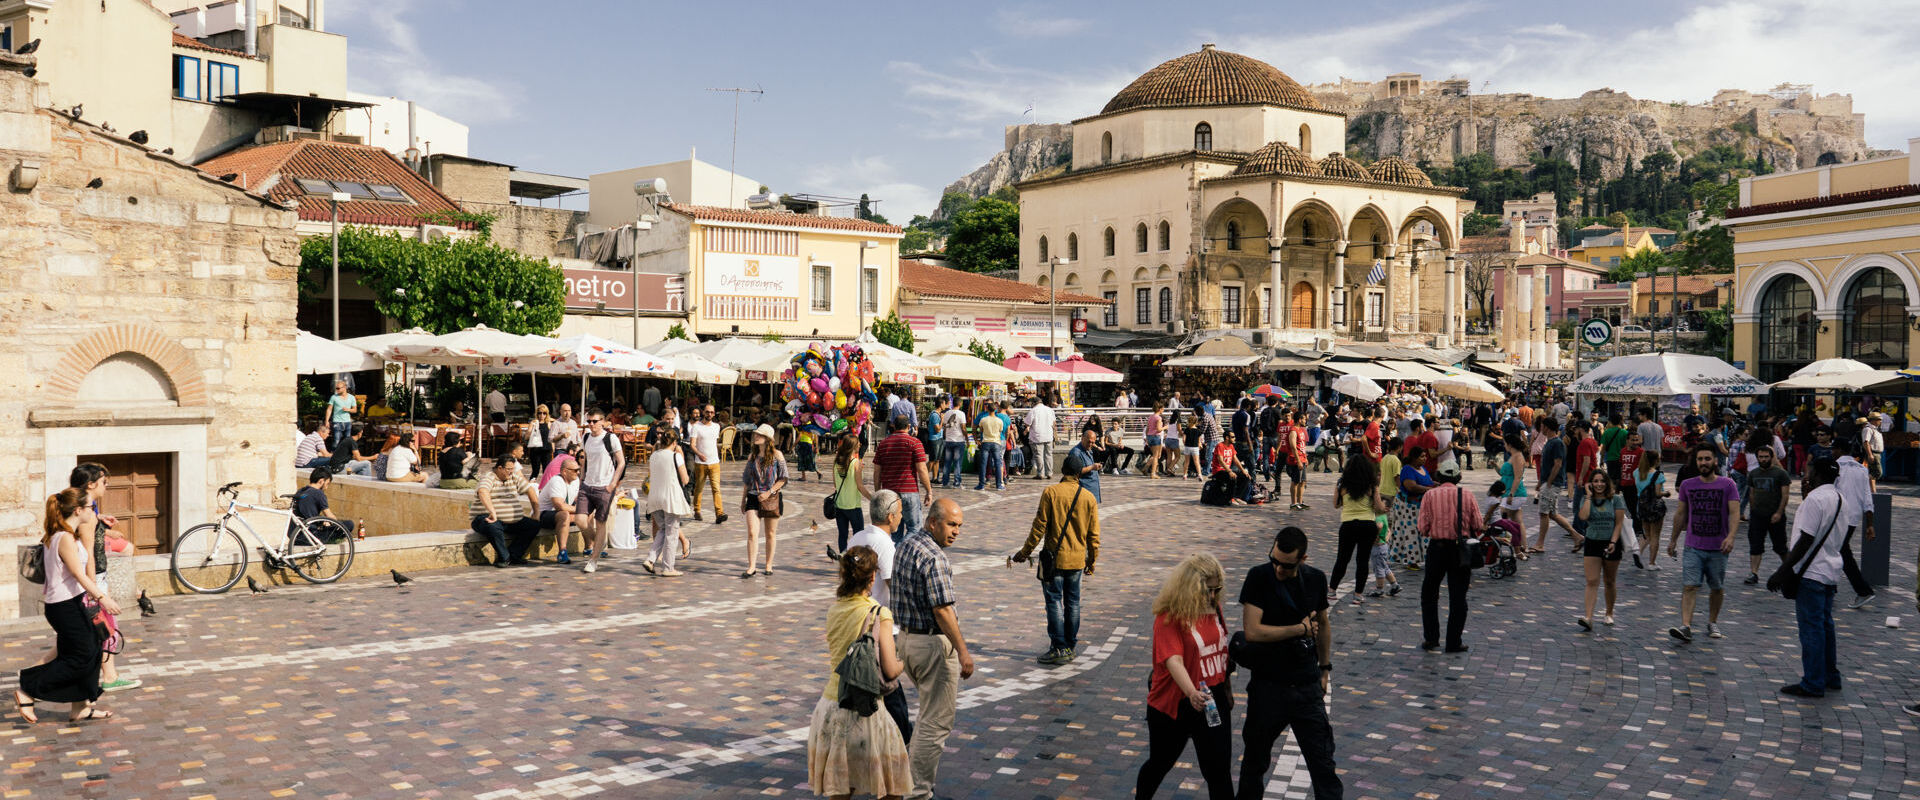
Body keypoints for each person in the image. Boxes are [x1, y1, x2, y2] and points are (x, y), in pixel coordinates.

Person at [1236, 526, 1338, 800]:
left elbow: (1324, 624)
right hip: (1268, 687)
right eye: (1275, 561)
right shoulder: (1259, 576)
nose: (1279, 569)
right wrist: (1299, 630)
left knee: (1324, 766)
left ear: (1303, 559)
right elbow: (1253, 632)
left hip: (1306, 686)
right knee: (1254, 763)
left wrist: (1325, 669)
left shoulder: (1315, 579)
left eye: (1287, 565)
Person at [804, 544, 913, 800]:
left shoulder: (834, 610)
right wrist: (906, 658)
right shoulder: (878, 613)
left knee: (841, 790)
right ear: (873, 577)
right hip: (866, 710)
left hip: (830, 706)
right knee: (892, 787)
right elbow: (889, 669)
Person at [15, 488, 121, 725]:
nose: (92, 511)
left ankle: (81, 707)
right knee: (79, 657)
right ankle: (28, 689)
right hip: (64, 607)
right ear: (78, 510)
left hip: (72, 602)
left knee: (92, 650)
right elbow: (78, 574)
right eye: (90, 508)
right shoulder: (63, 538)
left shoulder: (64, 535)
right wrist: (103, 598)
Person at [891, 497, 973, 800]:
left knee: (927, 717)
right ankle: (916, 792)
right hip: (931, 646)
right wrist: (963, 651)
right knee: (935, 724)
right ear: (933, 522)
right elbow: (943, 610)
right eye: (951, 525)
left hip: (907, 642)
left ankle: (906, 781)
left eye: (959, 526)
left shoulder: (907, 545)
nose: (956, 532)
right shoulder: (934, 557)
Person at [1135, 553, 1234, 800]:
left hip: (1211, 699)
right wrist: (1191, 692)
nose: (1212, 596)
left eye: (1216, 589)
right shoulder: (1169, 616)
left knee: (1218, 770)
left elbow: (1220, 652)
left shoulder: (1215, 608)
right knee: (1159, 763)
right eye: (1206, 590)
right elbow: (1173, 660)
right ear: (1191, 588)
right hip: (1174, 704)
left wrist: (1226, 689)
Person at [1013, 452, 1101, 665]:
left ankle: (1059, 647)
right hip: (1077, 560)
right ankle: (1070, 645)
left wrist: (1024, 553)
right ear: (1080, 473)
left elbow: (1039, 527)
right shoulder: (1088, 498)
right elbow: (1094, 536)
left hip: (1054, 559)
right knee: (1073, 603)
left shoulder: (1051, 492)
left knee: (1054, 602)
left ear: (1064, 471)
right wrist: (1092, 562)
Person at [1780, 457, 1850, 699]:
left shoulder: (1815, 499)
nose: (1806, 473)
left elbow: (1805, 539)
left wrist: (1783, 570)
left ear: (1817, 473)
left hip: (1811, 573)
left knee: (1811, 630)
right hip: (1830, 570)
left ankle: (1812, 682)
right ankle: (1831, 676)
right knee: (1825, 627)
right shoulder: (1842, 499)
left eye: (1809, 469)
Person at [848, 491, 911, 743]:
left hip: (856, 617)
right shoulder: (885, 545)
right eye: (900, 513)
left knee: (873, 688)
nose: (902, 517)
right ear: (890, 516)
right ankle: (903, 741)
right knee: (889, 687)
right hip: (880, 624)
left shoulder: (859, 536)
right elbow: (893, 586)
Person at [1668, 446, 1740, 643]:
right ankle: (1686, 626)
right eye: (1700, 459)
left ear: (1715, 461)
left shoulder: (1728, 485)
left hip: (1718, 547)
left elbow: (1735, 512)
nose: (1703, 463)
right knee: (1690, 586)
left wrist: (1731, 536)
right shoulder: (1687, 485)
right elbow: (1681, 513)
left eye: (1707, 459)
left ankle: (1712, 621)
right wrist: (1673, 539)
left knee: (1717, 587)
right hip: (1693, 546)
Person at [1416, 462, 1482, 653]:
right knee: (1458, 597)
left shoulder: (1429, 495)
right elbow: (1477, 524)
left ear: (1439, 476)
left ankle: (1431, 639)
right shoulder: (1467, 495)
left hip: (1437, 549)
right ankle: (1454, 641)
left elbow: (1423, 528)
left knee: (1429, 595)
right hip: (1459, 551)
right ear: (1458, 477)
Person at [1328, 456, 1387, 603]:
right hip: (1367, 525)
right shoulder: (1372, 485)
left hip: (1348, 525)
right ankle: (1358, 595)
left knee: (1342, 559)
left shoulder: (1342, 484)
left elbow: (1336, 504)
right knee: (1362, 560)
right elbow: (1379, 507)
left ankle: (1332, 591)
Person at [1575, 470, 1627, 630]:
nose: (1599, 484)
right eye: (1595, 481)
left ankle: (1609, 613)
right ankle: (1589, 617)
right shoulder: (1586, 499)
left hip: (1611, 542)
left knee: (1609, 581)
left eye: (1602, 481)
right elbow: (1583, 517)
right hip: (1592, 542)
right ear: (1590, 483)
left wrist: (1613, 541)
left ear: (1607, 483)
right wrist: (1589, 496)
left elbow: (1619, 523)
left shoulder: (1616, 499)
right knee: (1591, 581)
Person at [575, 412, 625, 574]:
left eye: (594, 421)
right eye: (588, 421)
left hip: (604, 487)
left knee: (600, 522)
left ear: (602, 422)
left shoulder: (610, 439)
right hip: (587, 485)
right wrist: (581, 480)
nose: (591, 424)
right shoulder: (586, 438)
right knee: (580, 520)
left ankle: (593, 560)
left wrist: (613, 483)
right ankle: (599, 541)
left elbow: (621, 462)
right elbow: (585, 460)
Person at [739, 424, 790, 578]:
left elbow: (783, 478)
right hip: (753, 497)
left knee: (770, 533)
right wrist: (743, 500)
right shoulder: (752, 456)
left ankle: (768, 565)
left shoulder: (777, 455)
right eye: (756, 434)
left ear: (768, 438)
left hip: (771, 497)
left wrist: (769, 492)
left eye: (759, 435)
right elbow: (747, 480)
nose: (756, 436)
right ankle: (751, 566)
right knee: (752, 533)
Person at [471, 455, 540, 567]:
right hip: (485, 517)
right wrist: (492, 512)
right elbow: (483, 492)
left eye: (512, 469)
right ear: (499, 468)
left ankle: (514, 554)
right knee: (493, 527)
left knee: (533, 525)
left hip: (511, 520)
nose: (511, 472)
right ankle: (504, 557)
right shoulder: (489, 478)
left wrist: (536, 512)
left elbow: (530, 490)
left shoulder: (513, 478)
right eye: (508, 469)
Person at [873, 413, 931, 542]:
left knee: (894, 530)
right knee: (915, 529)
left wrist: (878, 492)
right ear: (909, 426)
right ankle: (899, 551)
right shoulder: (914, 443)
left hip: (889, 493)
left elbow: (877, 471)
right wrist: (929, 490)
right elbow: (922, 469)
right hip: (909, 491)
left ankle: (895, 555)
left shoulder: (883, 444)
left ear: (893, 426)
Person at [1834, 443, 1878, 609]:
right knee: (1839, 550)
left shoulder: (1836, 467)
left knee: (1841, 551)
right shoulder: (1861, 469)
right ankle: (1833, 586)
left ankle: (1862, 590)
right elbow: (1868, 499)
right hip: (1853, 516)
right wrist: (1870, 524)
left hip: (1837, 514)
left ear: (1839, 450)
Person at [642, 429, 691, 577]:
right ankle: (668, 567)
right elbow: (685, 479)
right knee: (672, 532)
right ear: (675, 443)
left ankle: (650, 559)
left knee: (663, 530)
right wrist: (680, 456)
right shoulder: (676, 456)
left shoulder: (654, 455)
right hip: (671, 497)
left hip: (655, 496)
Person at [1743, 444, 1792, 586]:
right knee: (1756, 544)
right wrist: (1753, 511)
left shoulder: (1780, 473)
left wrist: (1779, 512)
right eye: (1760, 457)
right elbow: (1751, 494)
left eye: (1766, 457)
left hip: (1776, 515)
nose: (1763, 459)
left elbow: (1785, 495)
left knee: (1780, 546)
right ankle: (1754, 573)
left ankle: (1790, 570)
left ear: (1771, 457)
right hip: (1758, 515)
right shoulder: (1753, 473)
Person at [1532, 417, 1577, 552]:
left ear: (1547, 427)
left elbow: (1557, 464)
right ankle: (1577, 536)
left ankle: (1540, 543)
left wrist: (1549, 482)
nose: (1540, 429)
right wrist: (1540, 482)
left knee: (1544, 513)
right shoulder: (1549, 442)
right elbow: (1546, 465)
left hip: (1552, 483)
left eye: (1542, 426)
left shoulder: (1557, 443)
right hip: (1547, 482)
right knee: (1552, 514)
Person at [826, 434, 873, 559]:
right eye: (858, 443)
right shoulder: (855, 463)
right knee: (859, 534)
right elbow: (860, 486)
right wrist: (872, 499)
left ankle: (843, 558)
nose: (860, 445)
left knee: (842, 534)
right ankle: (855, 559)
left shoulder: (836, 462)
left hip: (839, 505)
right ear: (853, 446)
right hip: (853, 505)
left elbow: (836, 484)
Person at [1389, 446, 1433, 569]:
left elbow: (1428, 481)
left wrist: (1439, 484)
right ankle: (1411, 560)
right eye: (1422, 456)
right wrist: (1429, 489)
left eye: (1425, 456)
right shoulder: (1407, 469)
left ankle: (1422, 557)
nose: (1425, 459)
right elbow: (1411, 487)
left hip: (1420, 507)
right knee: (1410, 532)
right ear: (1414, 458)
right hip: (1408, 508)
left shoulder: (1422, 468)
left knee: (1422, 532)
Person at [536, 454, 581, 560]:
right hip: (543, 514)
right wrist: (578, 510)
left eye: (578, 469)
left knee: (588, 513)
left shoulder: (576, 480)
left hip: (561, 513)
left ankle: (590, 548)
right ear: (565, 471)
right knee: (564, 515)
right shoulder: (556, 481)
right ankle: (562, 552)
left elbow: (578, 499)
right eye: (575, 470)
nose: (578, 472)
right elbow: (559, 506)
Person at [686, 406, 727, 524]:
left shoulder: (716, 426)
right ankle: (697, 510)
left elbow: (713, 443)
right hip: (700, 463)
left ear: (714, 414)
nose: (709, 414)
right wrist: (699, 454)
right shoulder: (696, 427)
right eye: (707, 412)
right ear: (703, 412)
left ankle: (719, 513)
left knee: (716, 488)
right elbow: (692, 445)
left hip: (714, 462)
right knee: (699, 488)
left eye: (712, 412)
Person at [1634, 450, 1669, 570]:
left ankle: (1638, 552)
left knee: (1647, 534)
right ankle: (1652, 563)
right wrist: (1667, 493)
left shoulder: (1636, 473)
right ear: (1655, 460)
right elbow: (1658, 494)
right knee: (1655, 536)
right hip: (1655, 508)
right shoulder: (1658, 475)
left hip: (1642, 506)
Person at [1279, 409, 1310, 510]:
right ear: (1299, 419)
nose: (1305, 421)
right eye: (1304, 419)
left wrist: (1305, 458)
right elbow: (1293, 446)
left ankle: (1300, 502)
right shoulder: (1293, 430)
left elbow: (1302, 446)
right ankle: (1293, 503)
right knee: (1295, 481)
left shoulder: (1301, 430)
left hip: (1302, 458)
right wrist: (1299, 460)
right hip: (1295, 460)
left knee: (1303, 482)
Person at [974, 406, 1007, 490]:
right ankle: (999, 484)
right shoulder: (999, 420)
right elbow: (1001, 430)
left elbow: (981, 430)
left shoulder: (983, 419)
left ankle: (981, 484)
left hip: (986, 442)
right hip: (996, 442)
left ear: (987, 409)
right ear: (995, 410)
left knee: (983, 464)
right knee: (998, 463)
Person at [1068, 426, 1105, 501]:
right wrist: (1092, 467)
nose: (1091, 444)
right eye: (1089, 441)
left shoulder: (1088, 449)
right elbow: (1074, 472)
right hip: (1084, 491)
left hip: (1092, 490)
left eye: (1093, 442)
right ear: (1082, 438)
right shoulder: (1076, 453)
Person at [1026, 396, 1057, 481]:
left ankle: (1041, 473)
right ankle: (1049, 473)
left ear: (1034, 403)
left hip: (1037, 436)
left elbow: (1027, 423)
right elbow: (1054, 423)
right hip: (1049, 435)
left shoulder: (1033, 411)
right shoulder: (1050, 410)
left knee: (1039, 455)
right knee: (1049, 455)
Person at [524, 405, 555, 477]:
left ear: (547, 414)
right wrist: (532, 430)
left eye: (544, 413)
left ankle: (545, 487)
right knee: (535, 471)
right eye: (539, 413)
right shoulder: (533, 423)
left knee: (546, 471)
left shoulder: (549, 423)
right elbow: (526, 437)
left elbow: (551, 437)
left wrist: (553, 447)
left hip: (547, 449)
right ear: (537, 414)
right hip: (536, 449)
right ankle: (531, 486)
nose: (542, 415)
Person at [326, 380, 357, 447]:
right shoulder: (334, 397)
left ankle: (346, 456)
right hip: (337, 421)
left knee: (347, 441)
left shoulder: (351, 397)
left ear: (344, 387)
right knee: (336, 441)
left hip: (347, 422)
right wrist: (327, 421)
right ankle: (333, 455)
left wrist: (348, 409)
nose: (337, 390)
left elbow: (355, 410)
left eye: (338, 388)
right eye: (336, 388)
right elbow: (329, 409)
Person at [1862, 412, 1887, 491]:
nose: (1880, 421)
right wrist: (1870, 454)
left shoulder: (1875, 429)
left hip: (1877, 453)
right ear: (1873, 420)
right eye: (1879, 420)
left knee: (1873, 473)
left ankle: (1872, 490)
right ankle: (1861, 481)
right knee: (1878, 473)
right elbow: (1866, 442)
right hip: (1873, 453)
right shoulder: (1868, 429)